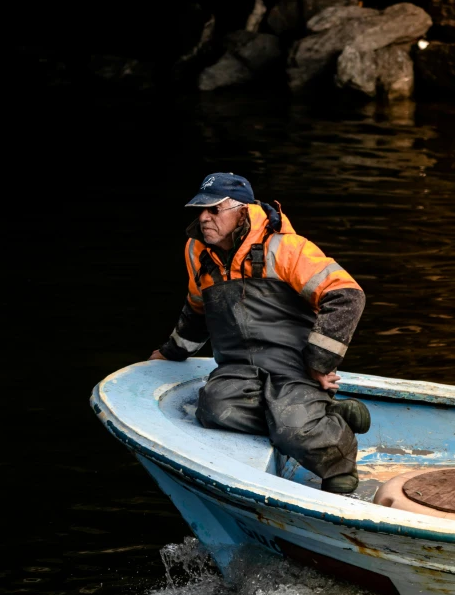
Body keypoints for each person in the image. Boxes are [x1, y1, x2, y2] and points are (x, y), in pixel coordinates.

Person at [149, 173, 370, 494]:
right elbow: (197, 310)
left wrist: (318, 363)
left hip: (294, 366)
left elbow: (348, 295)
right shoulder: (196, 251)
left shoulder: (286, 247)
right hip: (238, 368)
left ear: (242, 210)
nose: (204, 218)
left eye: (214, 210)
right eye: (201, 209)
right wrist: (170, 352)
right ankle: (324, 412)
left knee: (292, 429)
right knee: (213, 410)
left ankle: (338, 454)